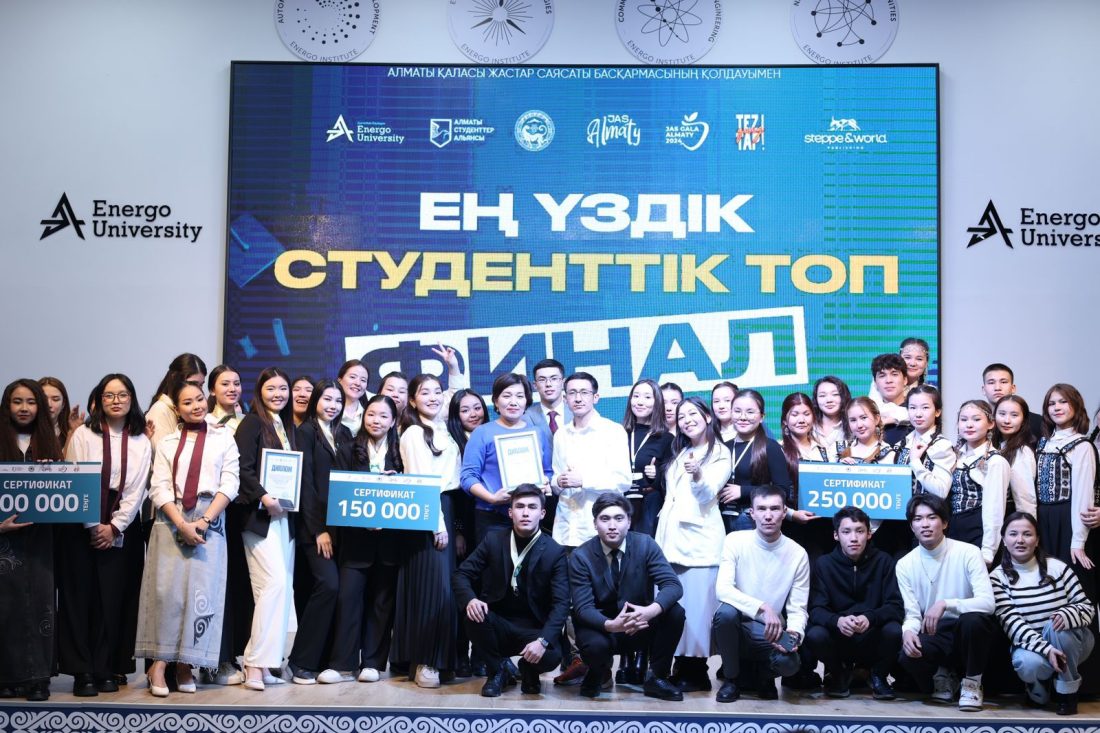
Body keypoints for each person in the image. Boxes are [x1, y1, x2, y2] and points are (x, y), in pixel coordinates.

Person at [135, 380, 240, 697]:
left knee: (201, 596)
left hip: (211, 519)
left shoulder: (224, 438)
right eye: (187, 402)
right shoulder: (168, 442)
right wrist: (181, 524)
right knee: (168, 596)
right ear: (177, 409)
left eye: (199, 399)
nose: (196, 406)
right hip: (172, 519)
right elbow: (159, 487)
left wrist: (205, 522)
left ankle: (186, 665)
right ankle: (159, 665)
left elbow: (230, 483)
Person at [59, 374, 152, 696]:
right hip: (81, 522)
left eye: (122, 394)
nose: (116, 400)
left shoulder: (141, 440)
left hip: (122, 525)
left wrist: (114, 527)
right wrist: (92, 525)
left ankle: (106, 667)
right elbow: (76, 479)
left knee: (113, 598)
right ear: (99, 400)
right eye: (109, 395)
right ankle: (82, 671)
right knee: (79, 597)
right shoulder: (83, 435)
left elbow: (137, 490)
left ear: (131, 399)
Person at [550, 372, 632, 685]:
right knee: (570, 600)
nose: (578, 398)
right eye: (572, 393)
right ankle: (579, 661)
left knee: (601, 599)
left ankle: (602, 666)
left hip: (598, 529)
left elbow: (623, 480)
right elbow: (557, 480)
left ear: (596, 397)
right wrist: (558, 482)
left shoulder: (612, 431)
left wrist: (584, 480)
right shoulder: (561, 434)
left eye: (584, 392)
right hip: (566, 528)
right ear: (564, 398)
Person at [452, 485, 570, 697]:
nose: (525, 513)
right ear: (510, 512)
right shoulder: (494, 540)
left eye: (532, 507)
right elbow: (462, 574)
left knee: (552, 655)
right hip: (499, 624)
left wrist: (543, 641)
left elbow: (561, 604)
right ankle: (497, 671)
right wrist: (470, 600)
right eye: (520, 506)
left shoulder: (555, 551)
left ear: (542, 513)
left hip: (534, 627)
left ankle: (529, 669)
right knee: (473, 615)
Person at [569, 493, 685, 701]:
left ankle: (657, 677)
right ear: (595, 524)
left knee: (675, 612)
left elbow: (673, 585)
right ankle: (597, 672)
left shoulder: (645, 544)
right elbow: (582, 607)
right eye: (605, 519)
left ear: (629, 522)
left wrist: (649, 611)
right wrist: (611, 625)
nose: (612, 526)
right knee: (593, 642)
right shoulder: (581, 556)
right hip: (602, 627)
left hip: (638, 623)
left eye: (619, 518)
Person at [321, 394, 403, 685]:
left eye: (383, 416)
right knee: (348, 600)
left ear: (393, 421)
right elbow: (338, 493)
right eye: (371, 414)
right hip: (355, 540)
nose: (376, 421)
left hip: (391, 541)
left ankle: (373, 663)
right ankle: (342, 664)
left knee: (381, 603)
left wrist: (397, 483)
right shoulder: (347, 449)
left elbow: (413, 493)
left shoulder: (401, 452)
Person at [654, 397, 731, 692]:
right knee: (676, 607)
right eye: (681, 416)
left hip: (699, 543)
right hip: (671, 539)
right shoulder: (682, 450)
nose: (687, 420)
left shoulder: (719, 452)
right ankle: (680, 666)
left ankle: (696, 671)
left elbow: (707, 493)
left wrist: (698, 473)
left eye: (693, 414)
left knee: (698, 610)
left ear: (708, 416)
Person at [896, 494, 996, 712]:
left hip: (965, 630)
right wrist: (908, 632)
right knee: (907, 653)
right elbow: (912, 613)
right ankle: (942, 676)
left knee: (974, 621)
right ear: (911, 526)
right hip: (935, 632)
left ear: (945, 523)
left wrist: (945, 603)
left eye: (932, 517)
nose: (925, 524)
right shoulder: (905, 564)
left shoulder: (969, 552)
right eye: (918, 519)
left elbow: (988, 603)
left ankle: (972, 683)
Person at [712, 484, 809, 703]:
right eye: (762, 509)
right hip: (737, 623)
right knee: (725, 614)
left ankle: (765, 677)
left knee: (790, 664)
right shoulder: (735, 540)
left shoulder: (797, 553)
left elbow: (798, 607)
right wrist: (763, 607)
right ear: (752, 513)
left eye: (774, 508)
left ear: (784, 512)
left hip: (769, 630)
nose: (768, 515)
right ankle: (731, 679)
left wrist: (794, 633)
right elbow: (723, 589)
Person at [396, 373, 463, 688]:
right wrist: (437, 525)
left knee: (445, 590)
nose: (434, 397)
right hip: (428, 510)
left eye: (438, 392)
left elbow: (454, 397)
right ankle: (426, 662)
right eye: (425, 393)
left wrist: (453, 368)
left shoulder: (444, 428)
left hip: (447, 506)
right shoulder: (413, 432)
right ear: (412, 400)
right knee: (434, 591)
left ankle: (441, 661)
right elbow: (421, 480)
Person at [991, 512, 1095, 715]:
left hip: (1074, 642)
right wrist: (1047, 650)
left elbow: (1087, 607)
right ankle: (1039, 688)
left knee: (1058, 628)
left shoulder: (1058, 568)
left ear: (1037, 540)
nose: (1020, 540)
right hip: (1032, 647)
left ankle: (1067, 693)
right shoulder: (997, 578)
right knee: (1027, 663)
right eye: (1013, 534)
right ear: (1003, 540)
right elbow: (1013, 625)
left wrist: (1066, 614)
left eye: (1027, 534)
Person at [234, 367, 298, 691]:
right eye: (271, 388)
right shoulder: (251, 423)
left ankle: (265, 662)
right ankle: (253, 663)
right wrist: (263, 497)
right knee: (274, 584)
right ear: (259, 391)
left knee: (276, 592)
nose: (278, 394)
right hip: (258, 519)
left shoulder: (286, 426)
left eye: (283, 388)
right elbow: (241, 469)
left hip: (284, 518)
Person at [0, 379, 63, 701]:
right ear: (7, 406)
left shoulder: (49, 443)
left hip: (40, 539)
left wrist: (55, 473)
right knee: (6, 606)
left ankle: (38, 678)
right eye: (17, 401)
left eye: (30, 402)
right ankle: (7, 677)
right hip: (4, 540)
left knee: (41, 605)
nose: (24, 408)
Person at [286, 380, 350, 685]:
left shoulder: (345, 433)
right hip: (316, 528)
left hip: (343, 528)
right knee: (328, 585)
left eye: (338, 401)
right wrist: (318, 530)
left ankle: (322, 659)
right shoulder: (306, 432)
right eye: (327, 399)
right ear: (316, 401)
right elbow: (306, 485)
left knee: (330, 590)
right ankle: (300, 660)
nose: (333, 405)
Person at [805, 506, 904, 700]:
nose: (853, 538)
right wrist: (837, 621)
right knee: (815, 633)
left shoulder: (884, 561)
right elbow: (816, 609)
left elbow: (895, 606)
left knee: (894, 630)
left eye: (859, 531)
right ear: (836, 535)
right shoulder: (824, 564)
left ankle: (878, 676)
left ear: (869, 534)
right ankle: (839, 674)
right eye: (846, 532)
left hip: (872, 634)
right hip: (840, 636)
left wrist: (870, 618)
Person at [461, 373, 553, 544]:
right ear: (496, 401)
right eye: (506, 396)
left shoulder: (537, 433)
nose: (513, 402)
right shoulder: (482, 433)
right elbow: (468, 477)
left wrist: (546, 482)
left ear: (527, 401)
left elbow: (547, 471)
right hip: (492, 516)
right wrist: (492, 498)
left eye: (519, 396)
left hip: (529, 516)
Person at [1034, 383, 1098, 590]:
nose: (1057, 407)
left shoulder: (1082, 445)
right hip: (1043, 518)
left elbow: (1083, 495)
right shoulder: (1043, 443)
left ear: (1076, 406)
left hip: (1068, 518)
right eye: (1051, 403)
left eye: (1063, 402)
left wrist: (1078, 540)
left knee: (1074, 581)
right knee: (1047, 582)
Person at [719, 389, 793, 533]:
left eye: (750, 412)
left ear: (762, 417)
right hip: (722, 518)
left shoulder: (770, 447)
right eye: (737, 411)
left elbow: (782, 490)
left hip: (752, 519)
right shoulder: (723, 447)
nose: (743, 417)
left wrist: (744, 491)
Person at [950, 400, 1009, 565]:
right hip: (953, 528)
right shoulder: (954, 456)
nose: (969, 425)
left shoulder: (995, 461)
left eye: (976, 419)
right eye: (963, 419)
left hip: (978, 529)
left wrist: (988, 551)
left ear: (990, 424)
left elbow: (995, 509)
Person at [621, 378, 672, 538]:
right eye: (636, 396)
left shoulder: (666, 438)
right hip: (621, 502)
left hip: (650, 505)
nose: (640, 402)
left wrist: (656, 476)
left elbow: (673, 482)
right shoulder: (618, 433)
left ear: (657, 402)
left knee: (645, 548)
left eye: (647, 397)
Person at [146, 353, 207, 450]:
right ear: (174, 378)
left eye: (201, 385)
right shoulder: (160, 410)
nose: (197, 389)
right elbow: (163, 453)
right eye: (192, 383)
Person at [993, 395, 1038, 518]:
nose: (1007, 420)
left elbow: (1025, 499)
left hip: (1010, 518)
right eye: (1002, 414)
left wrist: (1027, 525)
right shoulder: (994, 445)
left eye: (1014, 415)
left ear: (1023, 420)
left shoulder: (1022, 451)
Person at [981, 363, 1044, 439]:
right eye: (991, 382)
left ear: (1013, 388)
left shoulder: (1037, 422)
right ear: (983, 390)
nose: (997, 388)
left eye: (1003, 382)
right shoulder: (977, 422)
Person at [869, 353, 910, 445]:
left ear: (905, 380)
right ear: (875, 383)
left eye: (894, 374)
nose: (888, 380)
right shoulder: (867, 414)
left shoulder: (915, 410)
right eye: (882, 376)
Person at [39, 376, 83, 449]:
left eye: (55, 399)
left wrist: (72, 432)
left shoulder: (72, 431)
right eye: (44, 399)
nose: (49, 404)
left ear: (63, 404)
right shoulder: (26, 432)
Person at [811, 376, 850, 458]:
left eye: (835, 394)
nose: (829, 400)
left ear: (844, 397)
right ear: (816, 399)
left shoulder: (853, 426)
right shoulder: (809, 427)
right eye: (822, 395)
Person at [207, 365, 245, 432]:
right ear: (212, 390)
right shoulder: (205, 421)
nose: (232, 389)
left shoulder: (248, 421)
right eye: (225, 384)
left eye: (236, 384)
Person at [336, 359, 369, 437]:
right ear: (339, 380)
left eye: (363, 380)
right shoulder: (330, 411)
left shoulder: (369, 413)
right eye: (352, 377)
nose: (358, 383)